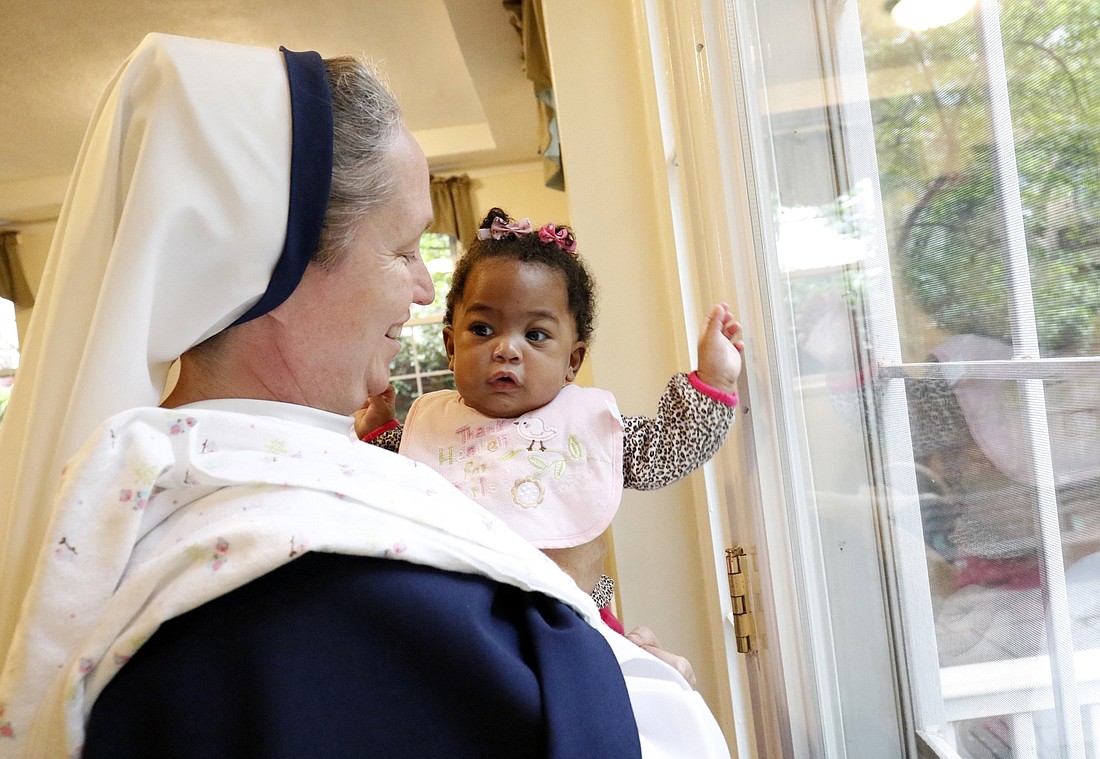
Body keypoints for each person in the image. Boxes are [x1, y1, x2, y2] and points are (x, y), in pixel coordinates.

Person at [0, 33, 732, 757]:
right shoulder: (329, 591)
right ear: (277, 265)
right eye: (405, 248)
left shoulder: (155, 499)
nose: (423, 289)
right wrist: (637, 693)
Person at [357, 208, 744, 639]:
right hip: (460, 632)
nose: (506, 349)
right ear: (451, 346)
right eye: (482, 329)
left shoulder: (585, 427)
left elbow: (671, 449)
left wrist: (714, 380)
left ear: (572, 362)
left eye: (536, 335)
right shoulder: (428, 426)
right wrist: (379, 430)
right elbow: (386, 473)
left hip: (576, 627)